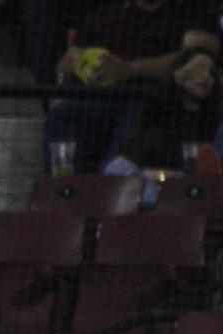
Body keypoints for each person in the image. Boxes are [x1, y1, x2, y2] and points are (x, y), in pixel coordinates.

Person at [47, 0, 219, 176]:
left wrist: (128, 69)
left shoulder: (194, 8)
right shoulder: (110, 11)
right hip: (100, 98)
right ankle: (60, 191)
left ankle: (114, 185)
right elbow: (68, 62)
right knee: (63, 113)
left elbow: (196, 58)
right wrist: (71, 63)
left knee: (134, 123)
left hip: (156, 101)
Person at [103, 47, 221, 206]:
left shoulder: (214, 118)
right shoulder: (161, 105)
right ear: (180, 72)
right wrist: (174, 81)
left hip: (183, 186)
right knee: (119, 173)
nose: (205, 76)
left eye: (211, 71)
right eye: (198, 68)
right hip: (143, 173)